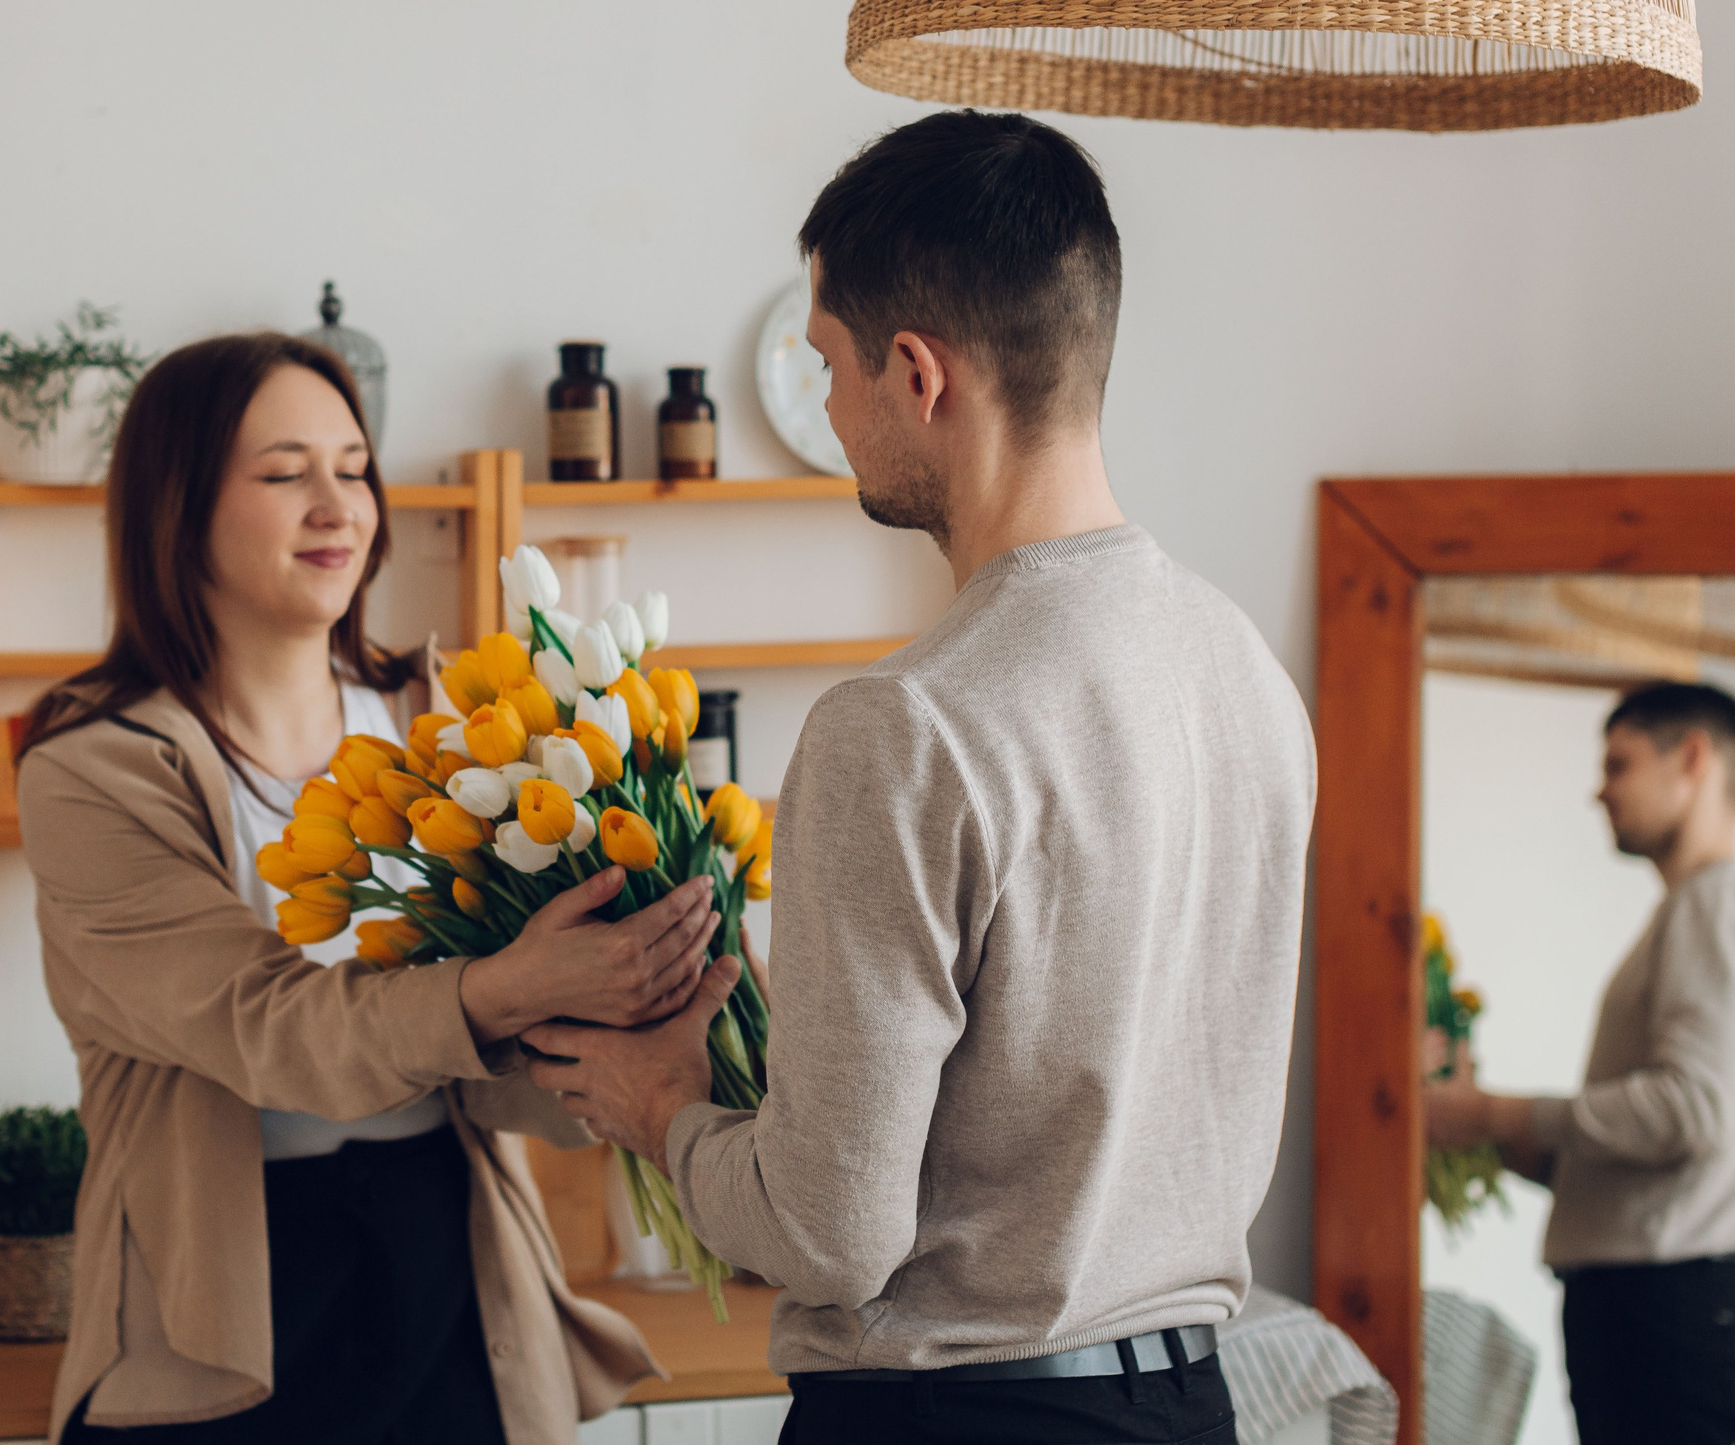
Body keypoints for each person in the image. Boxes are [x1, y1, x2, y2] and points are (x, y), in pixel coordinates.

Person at [526, 110, 1315, 1445]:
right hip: (1190, 1404)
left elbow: (832, 1234)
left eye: (828, 363)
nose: (830, 408)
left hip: (960, 1415)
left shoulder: (903, 724)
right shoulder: (1245, 670)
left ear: (916, 371)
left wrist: (663, 1107)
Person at [17, 333, 719, 1445]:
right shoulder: (92, 767)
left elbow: (516, 1065)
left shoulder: (444, 724)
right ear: (176, 505)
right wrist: (502, 988)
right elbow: (259, 1024)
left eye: (353, 469)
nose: (337, 506)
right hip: (224, 1293)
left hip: (446, 1255)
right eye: (285, 472)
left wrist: (654, 1007)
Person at [1422, 681, 1735, 1445]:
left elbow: (1689, 1112)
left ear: (1691, 758)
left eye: (1618, 763)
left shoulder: (1715, 904)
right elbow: (1671, 1146)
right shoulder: (1705, 908)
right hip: (1655, 1300)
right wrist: (1484, 1123)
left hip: (1660, 1304)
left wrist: (1494, 1111)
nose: (1599, 791)